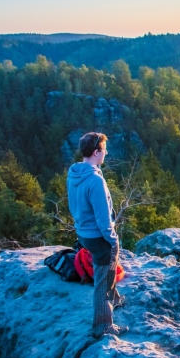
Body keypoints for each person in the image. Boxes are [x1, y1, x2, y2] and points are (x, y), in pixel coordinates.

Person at [67, 132, 128, 338]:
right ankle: (102, 327)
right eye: (104, 150)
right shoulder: (95, 180)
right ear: (96, 152)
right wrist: (113, 239)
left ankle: (114, 297)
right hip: (97, 236)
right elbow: (103, 219)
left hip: (83, 234)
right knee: (103, 279)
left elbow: (73, 204)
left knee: (106, 272)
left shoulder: (74, 172)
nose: (106, 153)